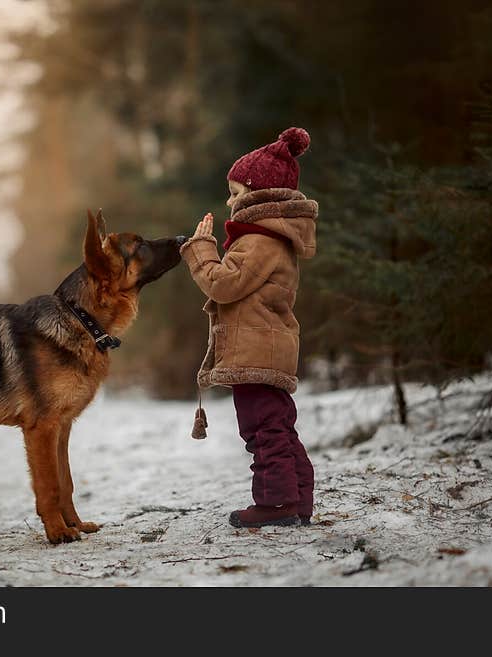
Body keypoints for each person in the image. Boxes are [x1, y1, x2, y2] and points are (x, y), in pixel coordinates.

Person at [179, 127, 319, 528]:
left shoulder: (260, 240)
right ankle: (297, 500)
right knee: (278, 426)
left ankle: (276, 504)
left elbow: (224, 285)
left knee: (263, 429)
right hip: (266, 345)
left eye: (236, 192)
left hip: (257, 348)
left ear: (259, 195)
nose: (229, 201)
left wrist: (201, 251)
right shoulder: (271, 238)